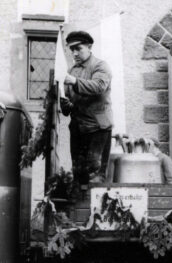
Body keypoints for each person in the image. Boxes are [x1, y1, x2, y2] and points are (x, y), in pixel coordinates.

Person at [60, 31, 113, 185]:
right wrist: (65, 104)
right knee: (78, 174)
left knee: (95, 175)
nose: (74, 53)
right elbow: (68, 104)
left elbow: (99, 87)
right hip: (78, 129)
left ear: (89, 47)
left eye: (78, 48)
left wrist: (74, 82)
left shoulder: (100, 66)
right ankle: (79, 209)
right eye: (72, 50)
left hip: (98, 129)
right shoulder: (72, 71)